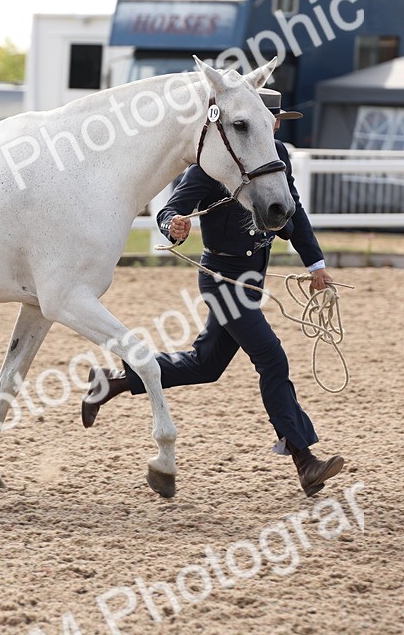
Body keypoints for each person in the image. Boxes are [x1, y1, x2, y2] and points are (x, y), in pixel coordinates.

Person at [80, 89, 345, 497]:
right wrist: (174, 227)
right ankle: (303, 458)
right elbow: (171, 209)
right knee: (272, 358)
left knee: (206, 365)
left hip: (251, 278)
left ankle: (113, 382)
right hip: (223, 279)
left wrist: (316, 264)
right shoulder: (215, 163)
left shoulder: (276, 157)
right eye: (267, 120)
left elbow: (292, 211)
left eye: (272, 121)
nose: (272, 127)